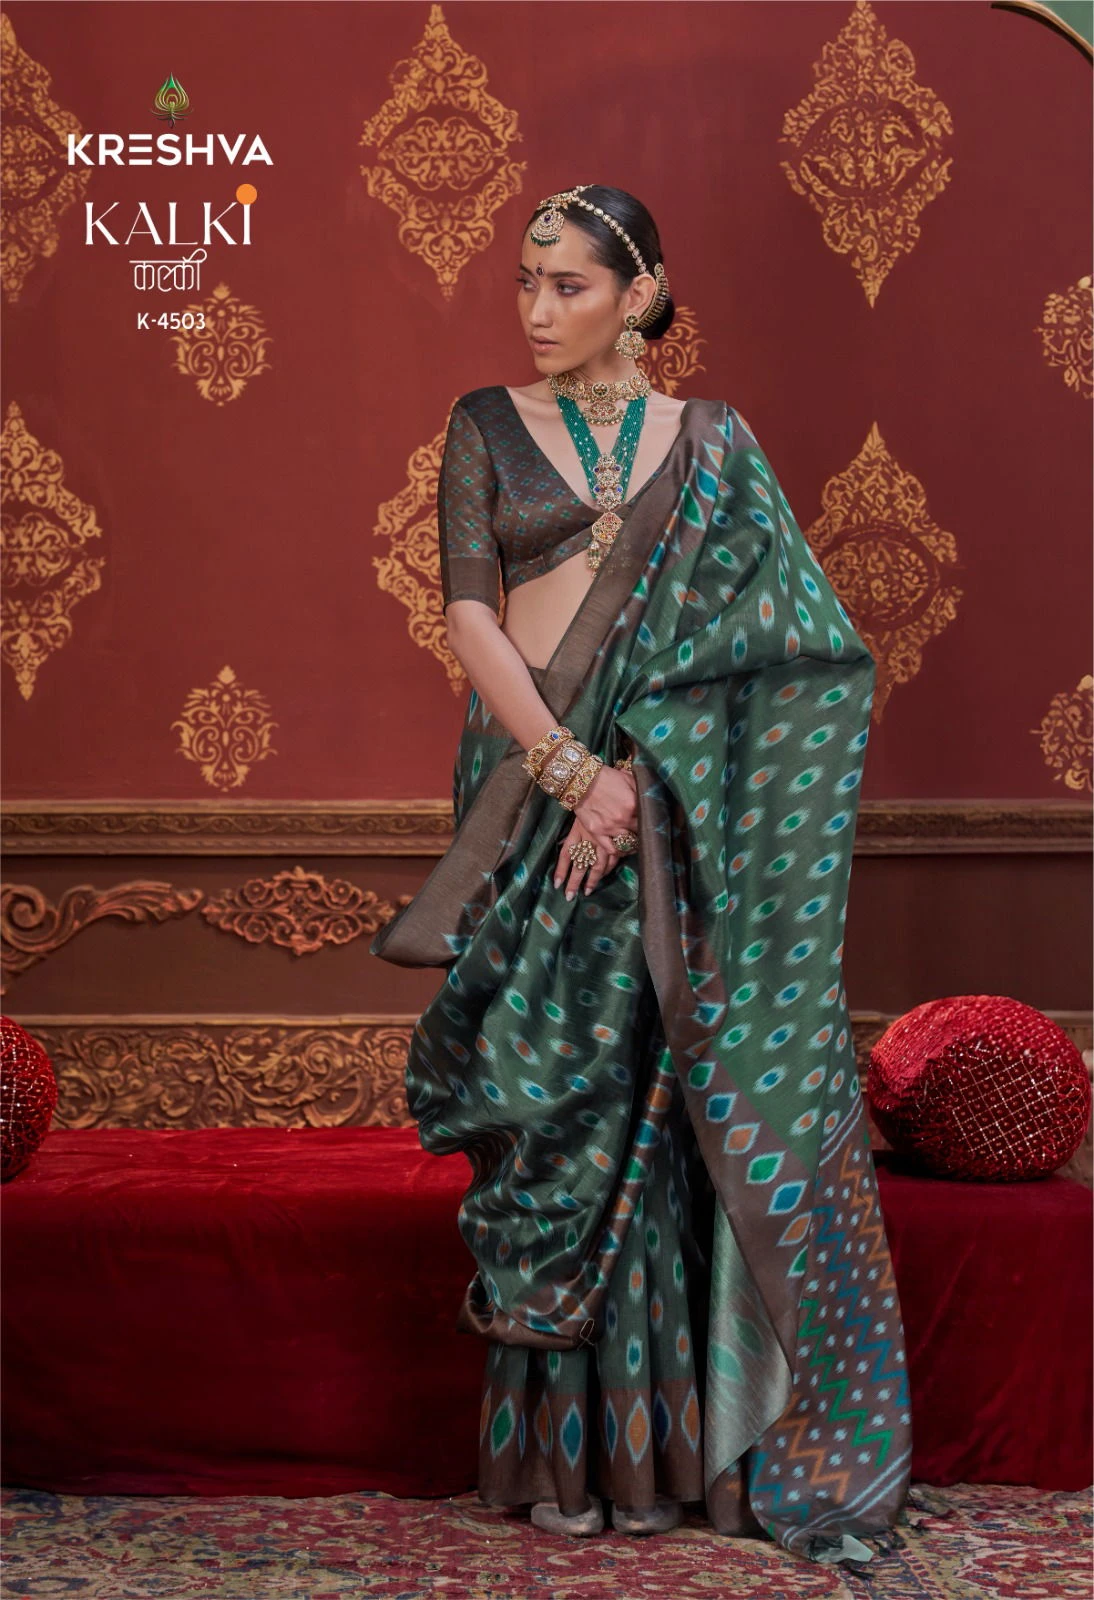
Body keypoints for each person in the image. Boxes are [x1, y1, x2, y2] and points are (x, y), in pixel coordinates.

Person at [370, 184, 912, 1571]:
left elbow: (796, 656)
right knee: (557, 1110)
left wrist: (645, 782)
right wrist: (574, 775)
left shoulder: (712, 445)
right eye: (527, 281)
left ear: (642, 295)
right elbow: (469, 615)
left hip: (671, 814)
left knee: (666, 1115)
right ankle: (566, 1456)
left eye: (569, 285)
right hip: (528, 792)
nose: (538, 308)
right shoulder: (484, 425)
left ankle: (685, 1457)